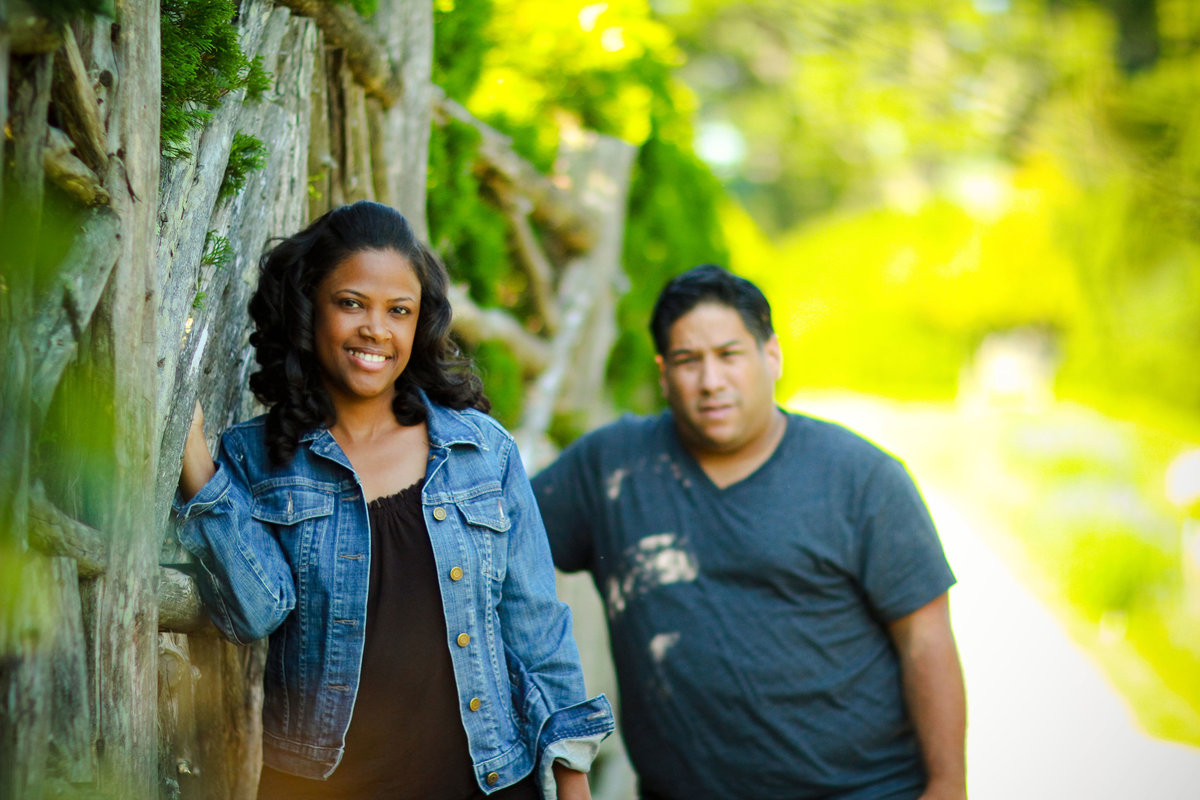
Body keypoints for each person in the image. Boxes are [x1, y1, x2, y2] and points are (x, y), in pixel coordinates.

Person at [174, 201, 613, 800]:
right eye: (351, 303)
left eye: (398, 311)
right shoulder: (257, 460)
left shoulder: (481, 453)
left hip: (486, 782)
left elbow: (537, 627)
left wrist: (572, 778)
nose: (375, 329)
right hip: (320, 786)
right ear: (308, 308)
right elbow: (255, 611)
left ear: (418, 325)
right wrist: (197, 466)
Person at [532, 264, 966, 800]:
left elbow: (926, 638)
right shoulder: (610, 468)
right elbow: (493, 548)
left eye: (730, 355)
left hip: (865, 789)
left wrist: (948, 786)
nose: (711, 381)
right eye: (689, 362)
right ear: (664, 375)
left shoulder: (860, 477)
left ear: (772, 356)